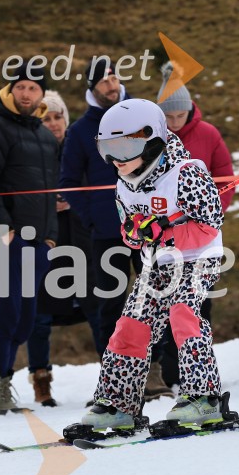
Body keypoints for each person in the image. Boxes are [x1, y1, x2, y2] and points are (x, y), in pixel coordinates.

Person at [79, 99, 225, 431]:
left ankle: (203, 398)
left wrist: (164, 230)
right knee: (130, 326)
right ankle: (118, 403)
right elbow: (129, 233)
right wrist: (135, 232)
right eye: (108, 149)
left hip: (197, 260)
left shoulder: (187, 174)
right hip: (157, 264)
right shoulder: (123, 183)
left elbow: (208, 226)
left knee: (183, 316)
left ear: (151, 140)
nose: (115, 159)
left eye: (124, 147)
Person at [0, 63, 58, 415]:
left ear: (41, 95)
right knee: (8, 310)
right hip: (1, 236)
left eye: (33, 89)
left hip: (38, 240)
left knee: (26, 316)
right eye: (20, 87)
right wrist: (4, 228)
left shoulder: (46, 135)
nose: (26, 94)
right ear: (10, 90)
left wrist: (51, 236)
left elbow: (52, 192)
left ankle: (4, 381)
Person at [152, 61, 236, 396]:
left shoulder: (208, 134)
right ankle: (171, 373)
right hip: (166, 242)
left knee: (198, 308)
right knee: (168, 307)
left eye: (178, 116)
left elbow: (226, 179)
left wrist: (210, 215)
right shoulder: (153, 139)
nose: (174, 123)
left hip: (202, 241)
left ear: (189, 110)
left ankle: (199, 374)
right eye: (168, 117)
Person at [59, 58, 142, 362]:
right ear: (92, 88)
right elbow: (67, 180)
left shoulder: (142, 114)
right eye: (104, 81)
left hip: (149, 226)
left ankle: (156, 368)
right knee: (110, 302)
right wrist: (91, 216)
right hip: (107, 231)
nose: (111, 85)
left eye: (114, 78)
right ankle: (113, 372)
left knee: (155, 297)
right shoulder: (80, 130)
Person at [27, 89, 101, 407]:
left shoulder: (79, 147)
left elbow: (97, 186)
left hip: (82, 239)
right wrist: (45, 205)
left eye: (58, 117)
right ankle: (41, 380)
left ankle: (115, 376)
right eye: (46, 118)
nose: (53, 124)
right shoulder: (26, 154)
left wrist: (73, 201)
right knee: (39, 316)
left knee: (98, 309)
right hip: (44, 242)